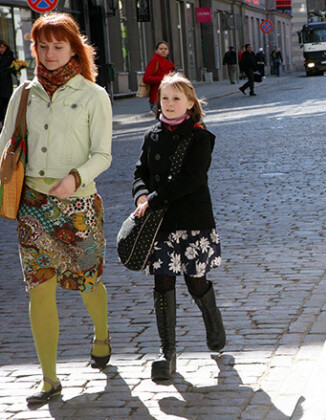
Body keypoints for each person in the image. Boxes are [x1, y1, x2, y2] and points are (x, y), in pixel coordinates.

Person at [0, 12, 113, 404]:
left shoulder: (93, 95)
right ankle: (49, 378)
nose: (50, 54)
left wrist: (76, 178)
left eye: (58, 46)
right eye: (42, 46)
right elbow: (5, 145)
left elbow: (103, 154)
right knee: (39, 290)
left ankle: (102, 336)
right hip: (33, 205)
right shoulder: (24, 93)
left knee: (87, 283)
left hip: (77, 206)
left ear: (74, 49)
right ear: (34, 49)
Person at [132, 72, 226, 381]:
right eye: (164, 98)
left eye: (176, 98)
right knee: (162, 283)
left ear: (189, 102)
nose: (169, 104)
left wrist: (154, 199)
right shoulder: (151, 136)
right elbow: (140, 171)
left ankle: (213, 321)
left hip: (192, 221)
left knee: (195, 282)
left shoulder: (200, 137)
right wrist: (142, 194)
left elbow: (191, 180)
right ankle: (167, 353)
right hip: (160, 224)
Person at [142, 41, 176, 115]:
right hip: (157, 98)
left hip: (170, 96)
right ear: (156, 50)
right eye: (161, 49)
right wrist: (164, 78)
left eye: (165, 49)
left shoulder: (168, 61)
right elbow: (146, 78)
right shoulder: (155, 61)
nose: (163, 50)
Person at [0, 40, 16, 128]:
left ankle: (6, 123)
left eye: (2, 47)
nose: (1, 49)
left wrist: (17, 72)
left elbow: (14, 66)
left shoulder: (9, 56)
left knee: (6, 102)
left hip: (6, 83)